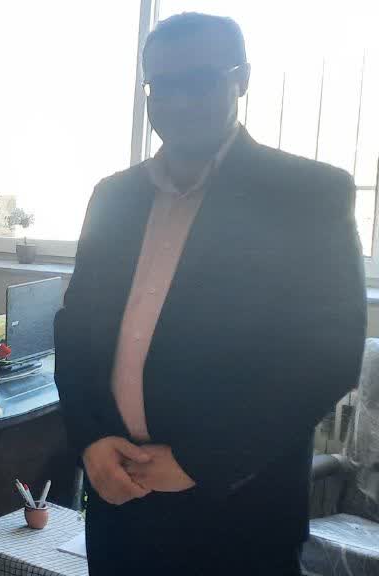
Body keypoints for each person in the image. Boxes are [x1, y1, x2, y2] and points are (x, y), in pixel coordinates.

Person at [53, 13, 365, 575]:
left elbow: (328, 355)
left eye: (199, 80)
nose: (178, 101)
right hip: (122, 497)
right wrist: (92, 439)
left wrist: (202, 460)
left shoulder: (307, 194)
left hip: (238, 504)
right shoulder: (114, 197)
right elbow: (75, 330)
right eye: (162, 85)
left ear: (241, 78)